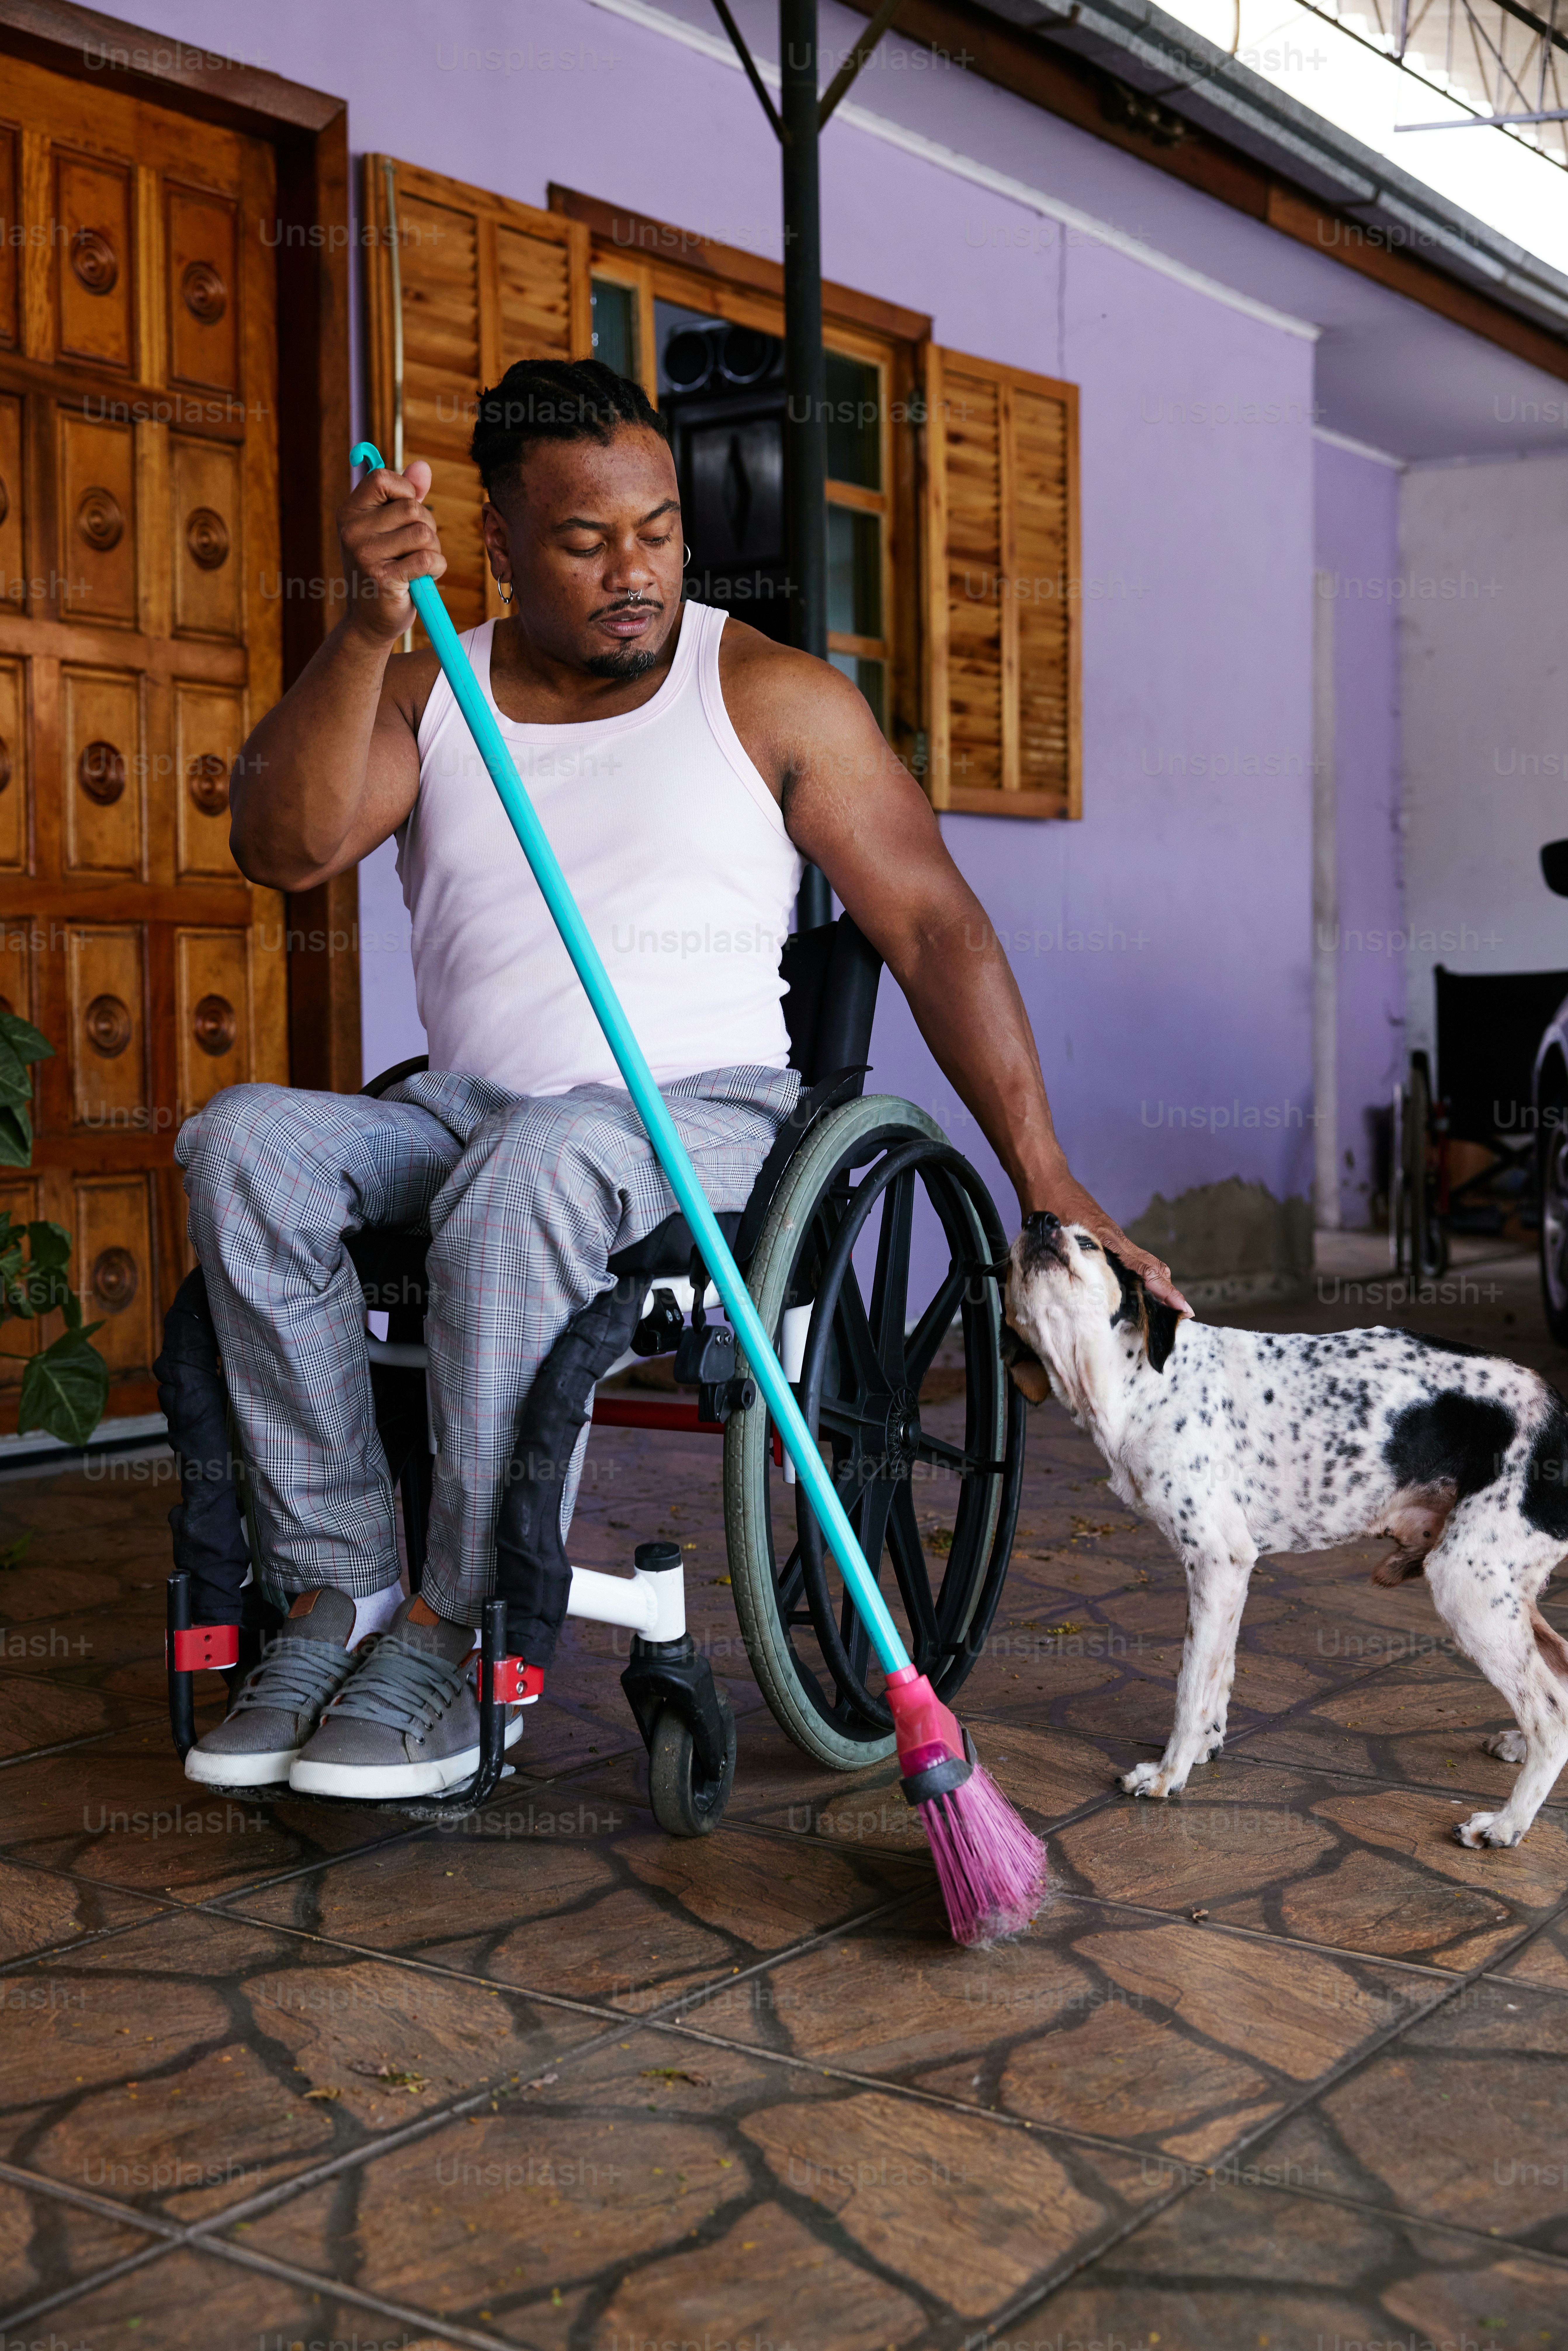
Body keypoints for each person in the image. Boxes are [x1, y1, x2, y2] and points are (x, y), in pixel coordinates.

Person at [179, 356, 1186, 1799]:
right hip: (467, 1115)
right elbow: (279, 846)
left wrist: (1048, 1176)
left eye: (656, 529)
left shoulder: (767, 693)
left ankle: (459, 1626)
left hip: (703, 1121)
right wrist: (362, 626)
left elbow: (933, 924)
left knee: (546, 1164)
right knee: (240, 1144)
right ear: (501, 539)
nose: (633, 568)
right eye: (586, 541)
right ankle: (338, 1593)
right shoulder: (432, 686)